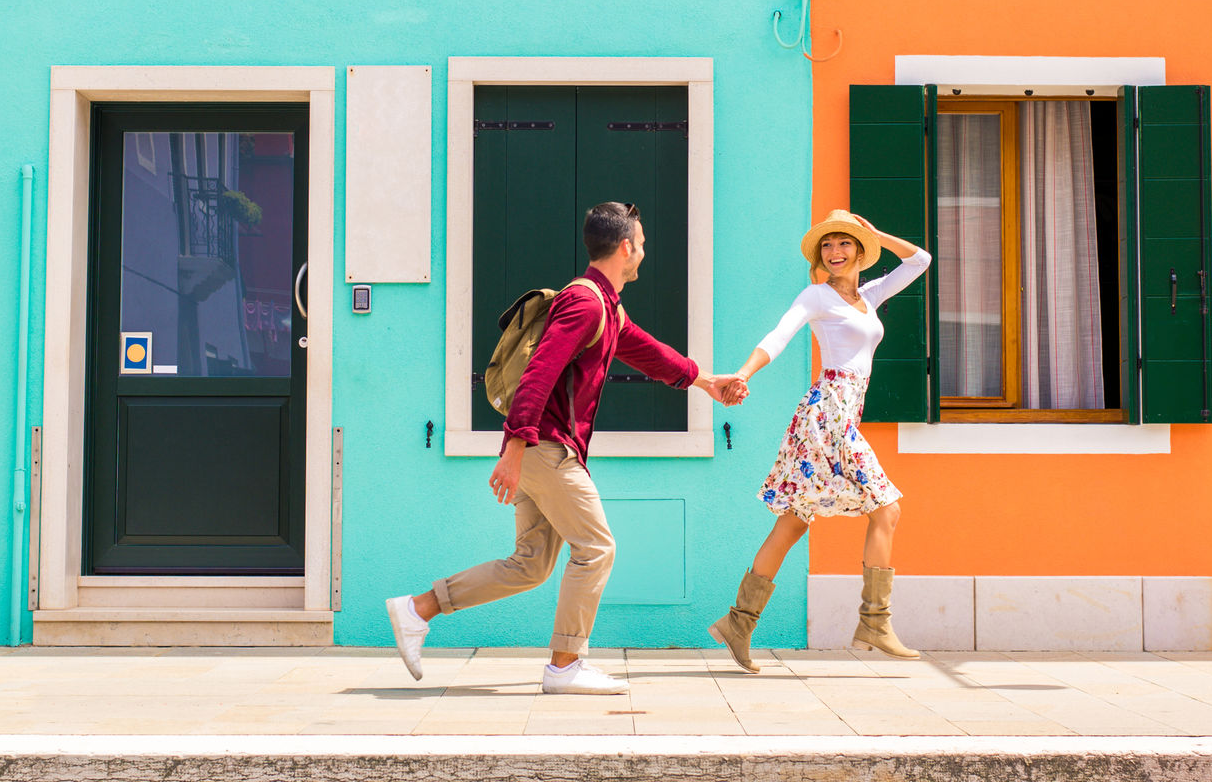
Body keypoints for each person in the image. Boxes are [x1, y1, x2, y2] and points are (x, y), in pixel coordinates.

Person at [387, 202, 745, 695]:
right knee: (597, 548)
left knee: (530, 564)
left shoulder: (606, 306)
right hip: (545, 447)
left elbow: (647, 351)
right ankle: (564, 666)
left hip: (541, 448)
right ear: (625, 248)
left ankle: (417, 609)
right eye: (640, 243)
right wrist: (514, 447)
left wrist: (707, 382)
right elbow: (539, 372)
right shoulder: (586, 304)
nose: (643, 251)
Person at [707, 210, 931, 673]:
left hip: (842, 412)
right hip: (828, 411)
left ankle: (737, 623)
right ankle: (875, 621)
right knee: (886, 508)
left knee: (793, 523)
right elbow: (779, 334)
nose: (834, 253)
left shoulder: (869, 295)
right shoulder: (816, 295)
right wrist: (743, 374)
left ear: (859, 250)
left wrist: (877, 232)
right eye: (827, 246)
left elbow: (920, 261)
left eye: (844, 244)